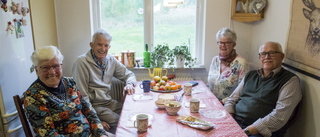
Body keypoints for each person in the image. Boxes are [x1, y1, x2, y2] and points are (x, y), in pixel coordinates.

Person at [23, 46, 110, 137]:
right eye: (45, 68)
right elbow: (48, 134)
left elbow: (88, 111)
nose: (52, 72)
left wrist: (100, 133)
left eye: (56, 66)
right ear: (37, 70)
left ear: (61, 66)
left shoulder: (69, 83)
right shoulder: (33, 96)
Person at [224, 41, 302, 137]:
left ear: (282, 56)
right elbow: (232, 99)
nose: (267, 57)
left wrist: (246, 131)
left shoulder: (290, 81)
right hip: (236, 122)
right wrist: (229, 120)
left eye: (272, 53)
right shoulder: (250, 75)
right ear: (259, 57)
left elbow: (279, 117)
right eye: (263, 54)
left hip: (262, 132)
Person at [72, 28, 136, 134]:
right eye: (99, 44)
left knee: (132, 113)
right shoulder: (81, 62)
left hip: (109, 103)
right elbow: (82, 97)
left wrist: (129, 84)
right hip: (95, 107)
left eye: (106, 45)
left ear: (109, 47)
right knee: (126, 122)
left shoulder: (110, 60)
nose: (103, 48)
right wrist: (95, 121)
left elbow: (129, 74)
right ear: (91, 45)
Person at [207, 27, 249, 104]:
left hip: (229, 104)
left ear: (234, 44)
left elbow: (242, 91)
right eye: (221, 42)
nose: (223, 45)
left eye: (227, 43)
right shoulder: (215, 60)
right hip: (212, 102)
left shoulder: (241, 63)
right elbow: (209, 85)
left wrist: (222, 102)